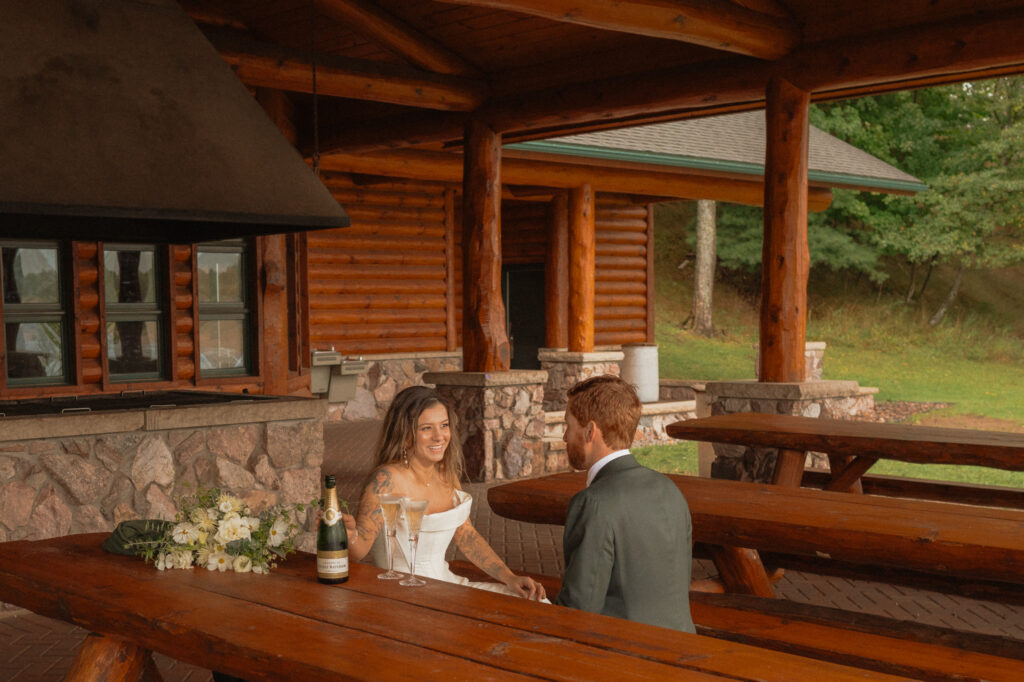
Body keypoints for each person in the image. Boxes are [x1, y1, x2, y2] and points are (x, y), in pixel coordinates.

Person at [343, 385, 546, 601]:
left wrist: (509, 577)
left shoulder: (447, 475)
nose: (439, 436)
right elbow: (360, 548)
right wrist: (346, 534)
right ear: (405, 435)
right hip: (402, 593)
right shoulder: (386, 480)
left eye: (444, 425)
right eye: (426, 428)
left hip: (446, 584)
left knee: (534, 600)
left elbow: (466, 535)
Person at [555, 375, 695, 632]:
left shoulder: (593, 503)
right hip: (683, 646)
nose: (565, 436)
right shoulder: (671, 490)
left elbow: (578, 610)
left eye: (568, 425)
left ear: (590, 432)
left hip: (624, 656)